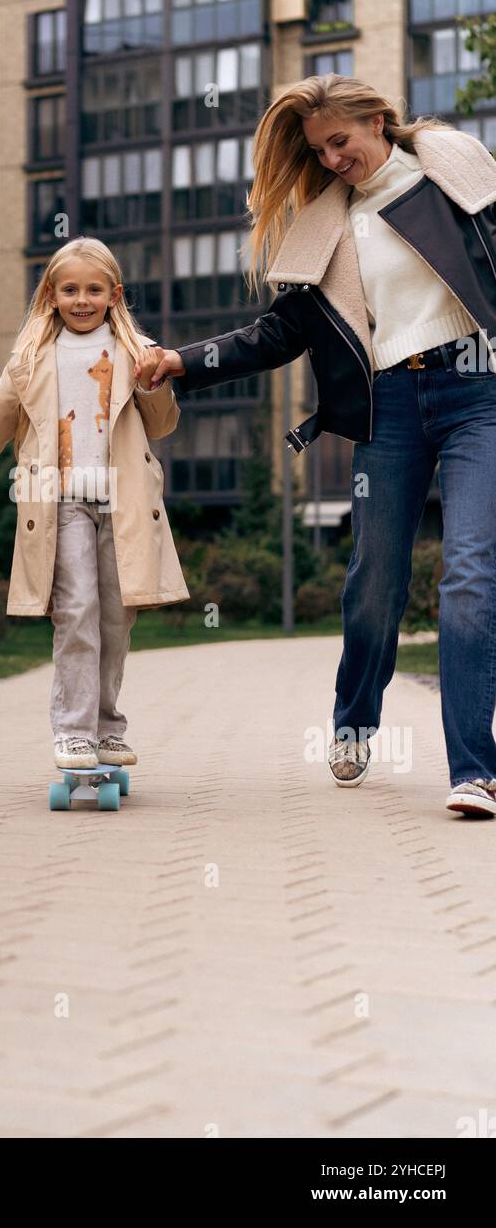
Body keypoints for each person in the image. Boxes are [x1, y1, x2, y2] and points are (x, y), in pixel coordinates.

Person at [142, 74, 496, 818]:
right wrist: (183, 362)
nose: (333, 159)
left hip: (478, 393)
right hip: (390, 408)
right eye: (319, 150)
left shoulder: (457, 175)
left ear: (377, 120)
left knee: (468, 575)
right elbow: (279, 334)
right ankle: (355, 720)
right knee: (375, 581)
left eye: (342, 141)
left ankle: (473, 770)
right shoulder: (327, 228)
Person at [0, 236, 189, 772]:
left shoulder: (137, 351)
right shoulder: (32, 360)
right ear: (51, 295)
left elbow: (163, 424)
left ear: (114, 294)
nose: (82, 300)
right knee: (76, 612)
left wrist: (155, 382)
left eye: (93, 290)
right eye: (70, 290)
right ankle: (74, 732)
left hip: (122, 504)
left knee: (114, 620)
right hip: (59, 505)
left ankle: (107, 728)